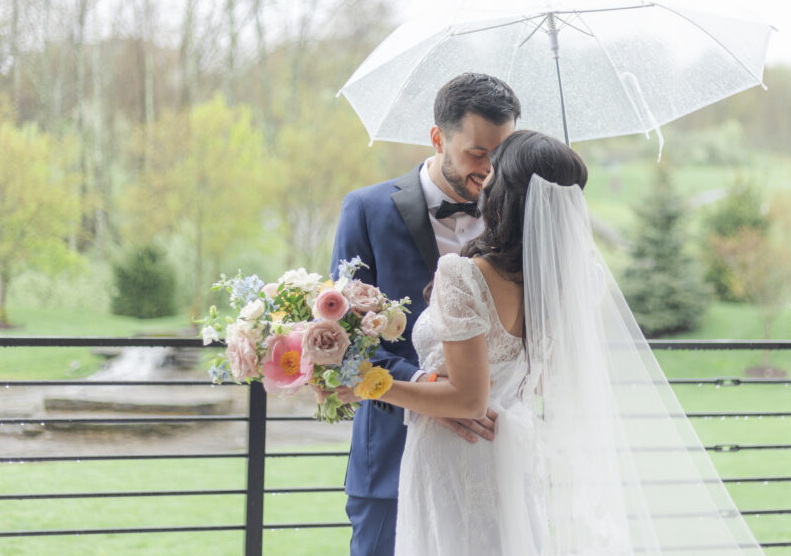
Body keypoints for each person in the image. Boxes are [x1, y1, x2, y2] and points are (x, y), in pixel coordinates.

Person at [343, 130, 765, 555]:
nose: (485, 181)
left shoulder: (462, 273)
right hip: (512, 448)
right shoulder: (574, 280)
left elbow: (469, 401)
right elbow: (545, 381)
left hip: (455, 453)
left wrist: (368, 383)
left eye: (495, 174)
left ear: (507, 193)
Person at [326, 72, 520, 556]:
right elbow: (346, 339)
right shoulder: (366, 210)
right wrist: (436, 391)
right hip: (390, 454)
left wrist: (481, 396)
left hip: (492, 455)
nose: (491, 169)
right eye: (478, 152)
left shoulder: (522, 221)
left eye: (503, 151)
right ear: (438, 138)